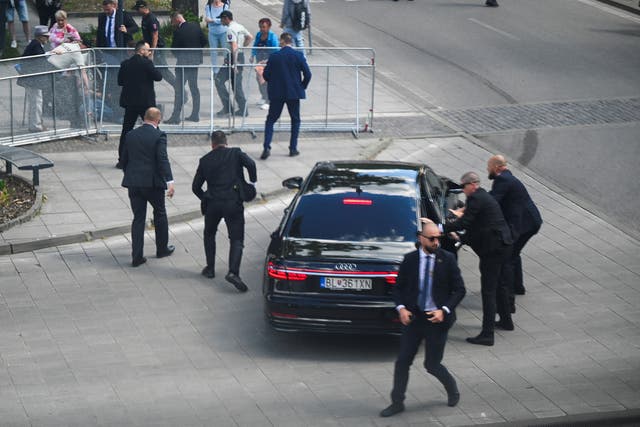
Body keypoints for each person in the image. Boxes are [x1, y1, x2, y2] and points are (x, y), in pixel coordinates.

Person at [380, 221, 466, 418]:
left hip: (436, 319)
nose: (436, 242)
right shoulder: (410, 260)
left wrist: (443, 310)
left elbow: (459, 289)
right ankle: (397, 402)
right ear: (421, 238)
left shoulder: (448, 259)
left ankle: (452, 389)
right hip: (415, 318)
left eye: (439, 238)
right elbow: (399, 288)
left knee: (432, 364)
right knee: (402, 362)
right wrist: (401, 308)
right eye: (432, 238)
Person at [444, 172, 513, 345]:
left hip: (493, 249)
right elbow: (477, 226)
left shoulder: (476, 199)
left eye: (463, 186)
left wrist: (441, 227)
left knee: (488, 290)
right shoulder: (483, 196)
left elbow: (464, 224)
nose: (462, 190)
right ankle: (506, 321)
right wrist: (462, 238)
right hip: (503, 245)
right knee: (500, 285)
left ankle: (487, 334)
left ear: (472, 184)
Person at [192, 130, 257, 293]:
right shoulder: (235, 153)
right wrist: (252, 181)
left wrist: (205, 196)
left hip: (213, 203)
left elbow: (195, 187)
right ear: (226, 142)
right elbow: (251, 164)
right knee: (236, 239)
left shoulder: (205, 160)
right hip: (233, 202)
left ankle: (210, 268)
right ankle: (233, 272)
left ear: (212, 144)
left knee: (209, 234)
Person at [120, 107, 175, 267]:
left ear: (144, 118)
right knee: (160, 213)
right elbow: (162, 159)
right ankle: (162, 248)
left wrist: (131, 174)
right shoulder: (159, 135)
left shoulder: (130, 135)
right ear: (158, 120)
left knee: (138, 218)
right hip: (152, 184)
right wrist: (169, 182)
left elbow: (123, 160)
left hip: (134, 183)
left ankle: (137, 256)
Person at [487, 155, 542, 303]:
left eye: (489, 166)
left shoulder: (503, 180)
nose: (488, 169)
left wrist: (473, 202)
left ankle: (508, 293)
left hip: (525, 224)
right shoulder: (507, 177)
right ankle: (518, 287)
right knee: (515, 253)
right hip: (530, 222)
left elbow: (492, 200)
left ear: (497, 167)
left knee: (509, 257)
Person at [260, 32, 311, 160]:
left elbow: (266, 75)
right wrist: (302, 86)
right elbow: (308, 74)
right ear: (291, 42)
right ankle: (293, 148)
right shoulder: (298, 55)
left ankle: (267, 146)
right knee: (295, 120)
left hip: (277, 93)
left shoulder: (274, 56)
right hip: (293, 93)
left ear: (282, 41)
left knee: (271, 119)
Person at [117, 41, 162, 169]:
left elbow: (120, 81)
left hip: (130, 102)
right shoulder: (147, 63)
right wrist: (151, 64)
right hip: (145, 103)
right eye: (148, 50)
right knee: (153, 129)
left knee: (126, 130)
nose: (149, 52)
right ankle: (157, 156)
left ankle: (122, 159)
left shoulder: (125, 64)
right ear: (142, 51)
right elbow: (158, 77)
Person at [165, 12, 207, 124]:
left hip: (183, 63)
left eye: (172, 21)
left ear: (177, 19)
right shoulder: (195, 26)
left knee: (179, 89)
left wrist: (181, 56)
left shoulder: (178, 31)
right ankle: (195, 114)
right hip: (194, 62)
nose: (172, 24)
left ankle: (176, 116)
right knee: (194, 88)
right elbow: (204, 41)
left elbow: (174, 49)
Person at [214, 10, 253, 118]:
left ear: (226, 18)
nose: (220, 21)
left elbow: (234, 46)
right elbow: (250, 37)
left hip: (233, 58)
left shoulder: (230, 30)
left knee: (219, 80)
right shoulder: (239, 26)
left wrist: (234, 63)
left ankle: (229, 108)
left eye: (221, 18)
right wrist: (243, 47)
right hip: (239, 56)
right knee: (236, 85)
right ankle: (241, 108)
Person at [132, 0, 175, 87]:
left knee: (163, 71)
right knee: (146, 69)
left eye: (138, 9)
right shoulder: (144, 17)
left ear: (143, 8)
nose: (137, 11)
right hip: (149, 48)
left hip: (157, 48)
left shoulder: (151, 18)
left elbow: (155, 35)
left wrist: (152, 51)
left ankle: (180, 90)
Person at [19, 25, 52, 132]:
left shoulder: (35, 44)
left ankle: (35, 123)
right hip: (33, 80)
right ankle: (36, 126)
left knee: (35, 102)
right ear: (40, 36)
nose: (47, 38)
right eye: (45, 36)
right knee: (36, 102)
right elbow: (41, 62)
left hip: (32, 79)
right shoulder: (37, 46)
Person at [250, 17, 278, 110]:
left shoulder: (273, 37)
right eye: (260, 27)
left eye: (264, 27)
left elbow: (276, 52)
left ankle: (268, 100)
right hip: (259, 59)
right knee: (259, 79)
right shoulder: (259, 34)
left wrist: (267, 61)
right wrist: (252, 55)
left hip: (269, 61)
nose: (262, 29)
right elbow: (255, 46)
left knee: (266, 81)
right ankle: (263, 96)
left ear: (269, 27)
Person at [204, 0, 228, 73]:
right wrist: (218, 20)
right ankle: (215, 71)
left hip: (223, 32)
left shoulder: (225, 6)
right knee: (213, 52)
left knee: (226, 51)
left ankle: (227, 69)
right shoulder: (209, 7)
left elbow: (224, 20)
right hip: (212, 33)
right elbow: (207, 19)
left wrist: (212, 20)